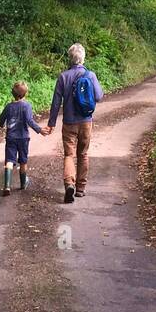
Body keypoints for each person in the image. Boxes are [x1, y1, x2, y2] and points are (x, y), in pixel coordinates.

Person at [47, 43, 104, 203]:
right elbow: (99, 96)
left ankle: (69, 184)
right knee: (83, 154)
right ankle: (80, 189)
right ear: (83, 58)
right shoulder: (90, 75)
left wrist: (51, 123)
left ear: (70, 58)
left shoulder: (63, 77)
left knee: (69, 155)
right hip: (86, 121)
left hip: (69, 122)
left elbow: (56, 102)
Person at [0, 81, 51, 194]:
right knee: (23, 161)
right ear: (25, 94)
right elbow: (29, 120)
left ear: (13, 93)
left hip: (11, 137)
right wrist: (40, 130)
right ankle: (23, 184)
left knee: (9, 160)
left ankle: (7, 186)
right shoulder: (27, 105)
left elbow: (1, 118)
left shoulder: (9, 106)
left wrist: (2, 124)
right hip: (23, 138)